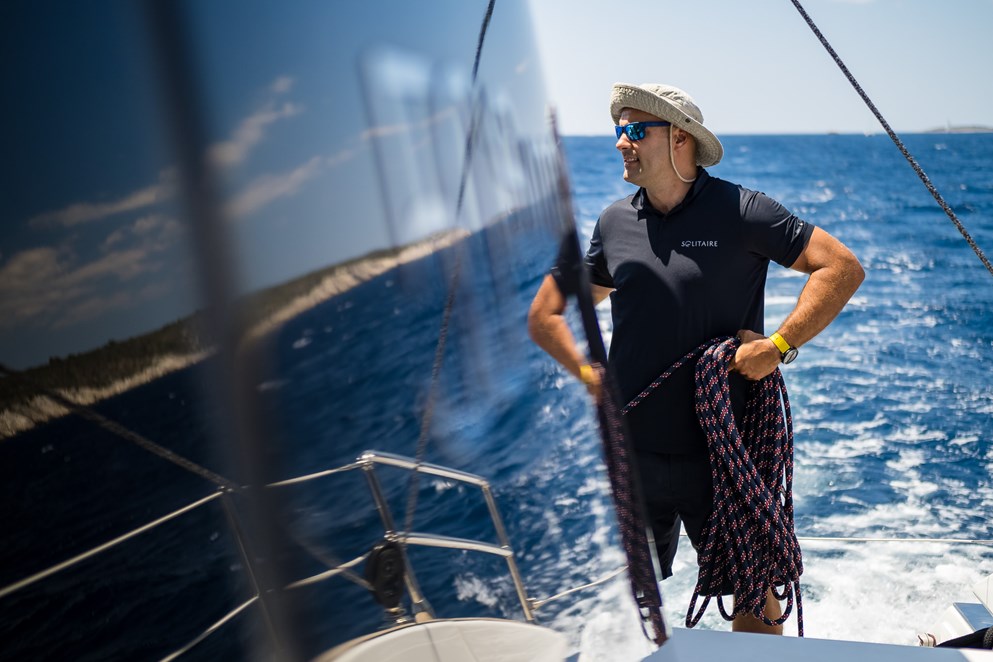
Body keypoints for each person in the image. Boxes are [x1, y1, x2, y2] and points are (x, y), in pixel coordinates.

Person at [528, 83, 864, 635]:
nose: (621, 142)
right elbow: (546, 314)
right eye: (619, 130)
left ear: (679, 138)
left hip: (723, 453)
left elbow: (841, 267)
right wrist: (590, 374)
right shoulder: (614, 223)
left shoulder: (743, 211)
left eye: (635, 130)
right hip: (633, 451)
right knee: (623, 601)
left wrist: (777, 346)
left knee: (754, 597)